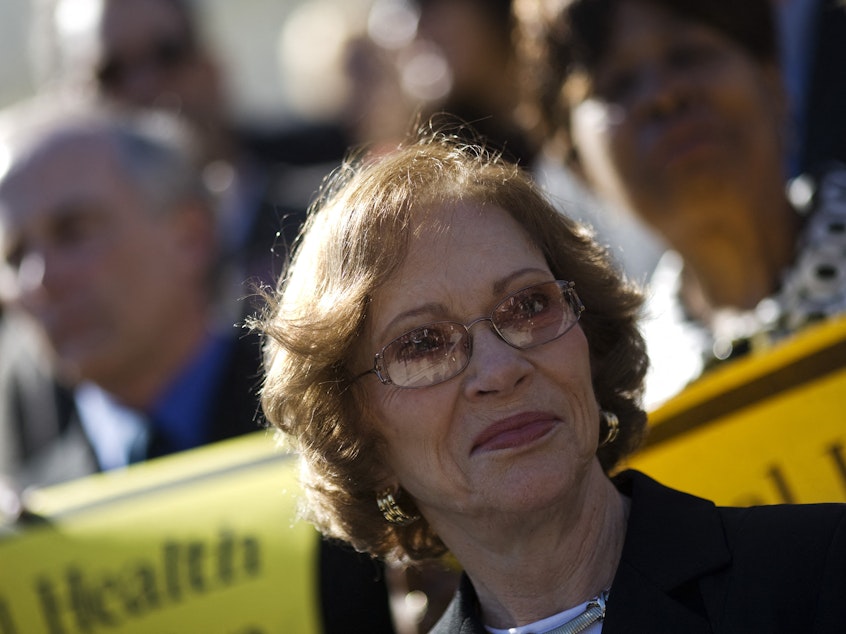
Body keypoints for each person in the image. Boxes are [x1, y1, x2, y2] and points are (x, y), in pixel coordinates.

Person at [253, 127, 846, 632]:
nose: (501, 369)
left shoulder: (817, 572)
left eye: (528, 305)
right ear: (357, 433)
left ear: (589, 339)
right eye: (423, 343)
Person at [512, 0, 846, 406]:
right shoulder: (634, 401)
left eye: (688, 55)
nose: (664, 95)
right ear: (578, 166)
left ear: (772, 77)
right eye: (618, 84)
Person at [0, 100, 264, 488]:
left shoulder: (330, 433)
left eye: (73, 232)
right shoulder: (29, 521)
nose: (38, 280)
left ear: (190, 235)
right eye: (14, 255)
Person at [38, 0, 349, 297]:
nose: (147, 87)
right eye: (111, 72)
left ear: (212, 67)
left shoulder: (331, 219)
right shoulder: (44, 286)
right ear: (65, 105)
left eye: (168, 55)